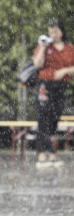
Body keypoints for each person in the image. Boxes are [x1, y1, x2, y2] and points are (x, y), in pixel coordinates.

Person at [33, 18, 74, 167]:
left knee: (54, 119)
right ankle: (41, 154)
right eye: (50, 31)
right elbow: (37, 64)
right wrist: (43, 47)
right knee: (43, 118)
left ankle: (52, 154)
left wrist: (65, 70)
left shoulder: (69, 48)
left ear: (62, 31)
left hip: (61, 86)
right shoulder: (44, 45)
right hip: (45, 85)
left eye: (55, 31)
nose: (53, 34)